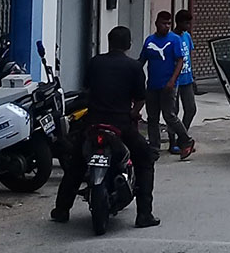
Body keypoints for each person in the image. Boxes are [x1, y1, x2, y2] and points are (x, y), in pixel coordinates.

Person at [50, 26, 160, 229]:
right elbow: (140, 98)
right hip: (121, 126)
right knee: (145, 160)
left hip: (93, 124)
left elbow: (87, 89)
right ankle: (144, 214)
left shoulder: (95, 62)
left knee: (76, 165)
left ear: (109, 43)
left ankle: (62, 210)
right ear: (128, 45)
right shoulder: (134, 67)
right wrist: (134, 112)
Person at [141, 11, 195, 159]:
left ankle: (185, 140)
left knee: (170, 115)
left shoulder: (174, 40)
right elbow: (142, 60)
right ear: (156, 23)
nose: (166, 26)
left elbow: (180, 61)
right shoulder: (149, 41)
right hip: (152, 85)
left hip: (169, 85)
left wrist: (172, 80)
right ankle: (154, 146)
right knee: (152, 117)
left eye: (168, 24)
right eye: (163, 23)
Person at [168, 10, 197, 155]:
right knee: (173, 112)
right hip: (175, 79)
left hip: (187, 78)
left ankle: (182, 137)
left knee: (191, 109)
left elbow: (189, 57)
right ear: (178, 22)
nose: (188, 26)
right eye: (186, 23)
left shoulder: (187, 36)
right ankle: (173, 143)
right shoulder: (172, 38)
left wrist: (193, 76)